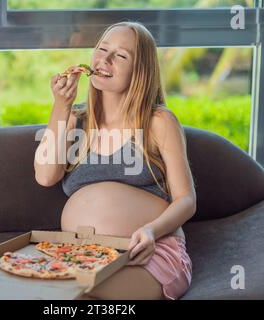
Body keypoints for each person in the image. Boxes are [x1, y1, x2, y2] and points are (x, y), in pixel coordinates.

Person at [33, 21, 196, 300]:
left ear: (140, 70)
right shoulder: (75, 120)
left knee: (76, 295)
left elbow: (186, 199)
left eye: (121, 56)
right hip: (85, 254)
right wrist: (61, 106)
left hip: (148, 252)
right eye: (102, 49)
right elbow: (46, 176)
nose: (104, 59)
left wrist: (150, 231)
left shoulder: (158, 122)